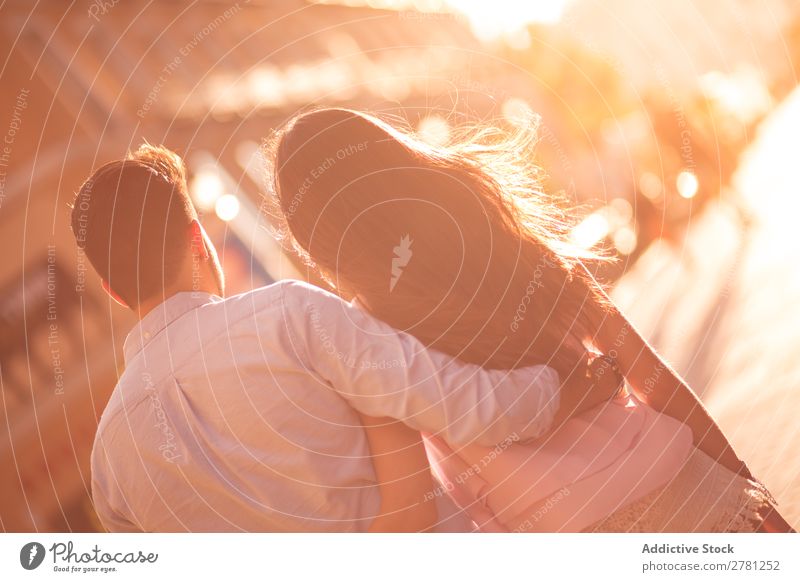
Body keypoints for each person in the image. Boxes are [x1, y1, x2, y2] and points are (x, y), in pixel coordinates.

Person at [267, 107, 795, 532]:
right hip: (681, 485)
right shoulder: (493, 236)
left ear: (317, 241)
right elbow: (647, 373)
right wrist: (743, 480)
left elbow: (416, 502)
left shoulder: (367, 348)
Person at [69, 144, 619, 532]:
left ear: (115, 292)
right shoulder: (289, 317)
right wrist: (571, 385)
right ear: (198, 241)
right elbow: (470, 404)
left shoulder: (109, 472)